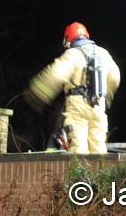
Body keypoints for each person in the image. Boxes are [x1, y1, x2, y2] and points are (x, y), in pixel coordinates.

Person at [27, 22, 120, 154]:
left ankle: (79, 168)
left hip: (78, 106)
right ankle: (100, 168)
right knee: (99, 147)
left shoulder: (73, 54)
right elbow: (115, 76)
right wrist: (107, 95)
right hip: (98, 105)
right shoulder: (104, 53)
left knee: (78, 148)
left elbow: (56, 74)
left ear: (68, 39)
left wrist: (39, 92)